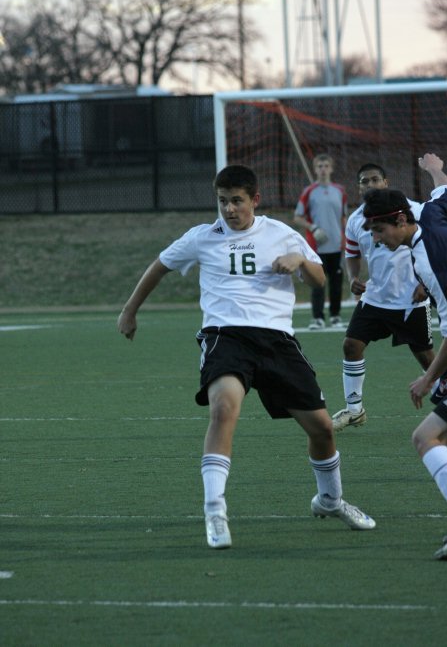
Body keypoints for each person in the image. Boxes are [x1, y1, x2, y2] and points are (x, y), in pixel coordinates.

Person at [118, 164, 376, 550]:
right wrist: (129, 309)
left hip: (277, 342)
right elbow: (160, 266)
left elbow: (321, 278)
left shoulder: (281, 233)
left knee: (322, 430)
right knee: (224, 409)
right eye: (222, 201)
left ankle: (331, 500)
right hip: (226, 337)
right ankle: (215, 510)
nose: (229, 209)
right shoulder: (202, 237)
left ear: (254, 200)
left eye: (236, 201)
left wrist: (300, 263)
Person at [362, 154, 447, 560]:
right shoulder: (433, 212)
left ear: (400, 220)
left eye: (379, 230)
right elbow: (444, 189)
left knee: (425, 437)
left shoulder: (432, 258)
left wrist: (428, 376)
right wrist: (434, 167)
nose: (377, 239)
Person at [332, 163, 435, 432]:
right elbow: (352, 253)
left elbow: (432, 242)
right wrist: (353, 278)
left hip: (409, 301)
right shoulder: (357, 220)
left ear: (386, 182)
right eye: (364, 181)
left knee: (429, 361)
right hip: (375, 298)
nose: (370, 185)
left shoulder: (415, 210)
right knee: (351, 345)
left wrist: (426, 282)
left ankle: (445, 404)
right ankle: (354, 409)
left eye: (375, 179)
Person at [294, 153, 347, 330]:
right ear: (315, 169)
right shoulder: (309, 192)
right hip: (315, 247)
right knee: (317, 282)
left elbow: (344, 218)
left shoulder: (340, 191)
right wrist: (314, 228)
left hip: (336, 245)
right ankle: (317, 317)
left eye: (326, 166)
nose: (323, 169)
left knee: (336, 283)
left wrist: (347, 240)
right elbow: (298, 217)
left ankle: (335, 316)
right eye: (319, 166)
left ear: (331, 168)